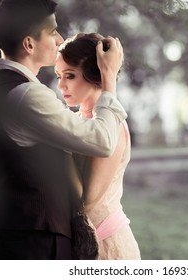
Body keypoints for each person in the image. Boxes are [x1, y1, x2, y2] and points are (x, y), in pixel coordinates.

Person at [0, 0, 126, 260]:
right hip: (36, 242)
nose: (59, 39)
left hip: (10, 235)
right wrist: (108, 78)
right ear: (29, 44)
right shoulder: (27, 96)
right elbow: (101, 140)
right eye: (52, 31)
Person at [55, 32, 141, 260]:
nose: (61, 85)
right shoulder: (75, 120)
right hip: (79, 245)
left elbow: (88, 199)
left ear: (95, 75)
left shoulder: (112, 126)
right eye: (58, 76)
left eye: (70, 76)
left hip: (107, 246)